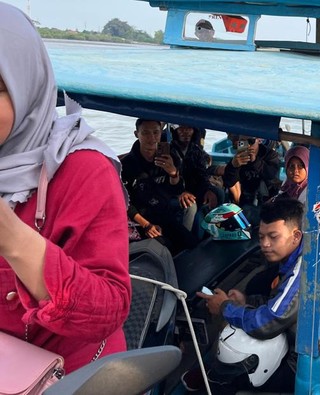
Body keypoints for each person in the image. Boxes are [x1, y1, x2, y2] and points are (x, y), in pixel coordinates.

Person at [0, 2, 131, 374]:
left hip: (66, 376)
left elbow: (108, 309)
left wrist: (12, 238)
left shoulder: (84, 170)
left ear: (26, 86)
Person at [188, 198, 320, 392]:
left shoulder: (304, 271)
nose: (264, 244)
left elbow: (267, 324)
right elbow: (284, 306)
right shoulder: (304, 255)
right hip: (303, 343)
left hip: (309, 364)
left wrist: (224, 308)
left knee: (232, 372)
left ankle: (215, 382)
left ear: (296, 236)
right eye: (261, 236)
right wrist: (245, 301)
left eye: (273, 237)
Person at [120, 118, 198, 254]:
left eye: (156, 133)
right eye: (145, 133)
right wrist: (146, 225)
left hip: (164, 213)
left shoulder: (169, 156)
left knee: (191, 244)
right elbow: (126, 203)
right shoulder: (127, 165)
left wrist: (173, 173)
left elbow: (176, 190)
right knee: (166, 248)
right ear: (136, 134)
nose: (152, 139)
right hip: (141, 219)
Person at [222, 133, 282, 225]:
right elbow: (229, 182)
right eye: (243, 142)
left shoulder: (270, 154)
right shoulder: (238, 158)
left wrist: (255, 161)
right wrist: (233, 166)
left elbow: (270, 174)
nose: (248, 145)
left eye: (251, 141)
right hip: (246, 200)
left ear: (258, 140)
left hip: (268, 200)